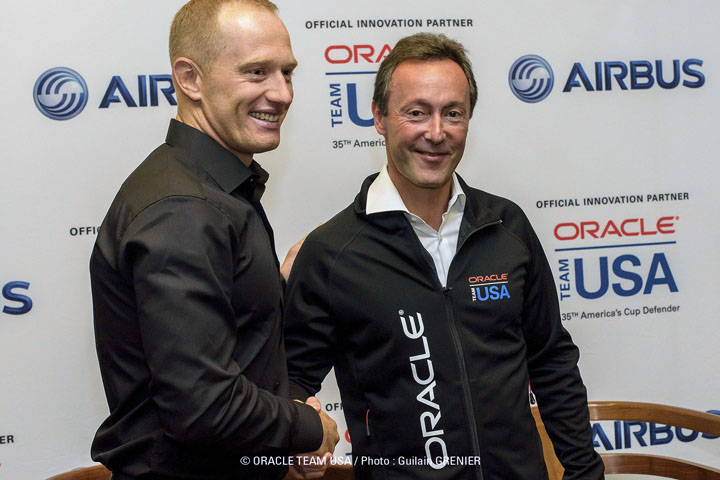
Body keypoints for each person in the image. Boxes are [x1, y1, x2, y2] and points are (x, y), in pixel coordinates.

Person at [284, 33, 604, 479]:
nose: (436, 133)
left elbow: (550, 359)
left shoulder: (506, 227)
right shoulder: (331, 253)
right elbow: (291, 381)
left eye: (452, 113)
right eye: (416, 112)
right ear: (379, 116)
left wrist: (584, 470)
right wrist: (296, 437)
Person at [89, 1, 338, 479]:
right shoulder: (186, 209)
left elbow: (231, 357)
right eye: (257, 72)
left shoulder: (216, 192)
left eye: (287, 72)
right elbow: (204, 406)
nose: (282, 92)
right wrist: (308, 428)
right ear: (190, 79)